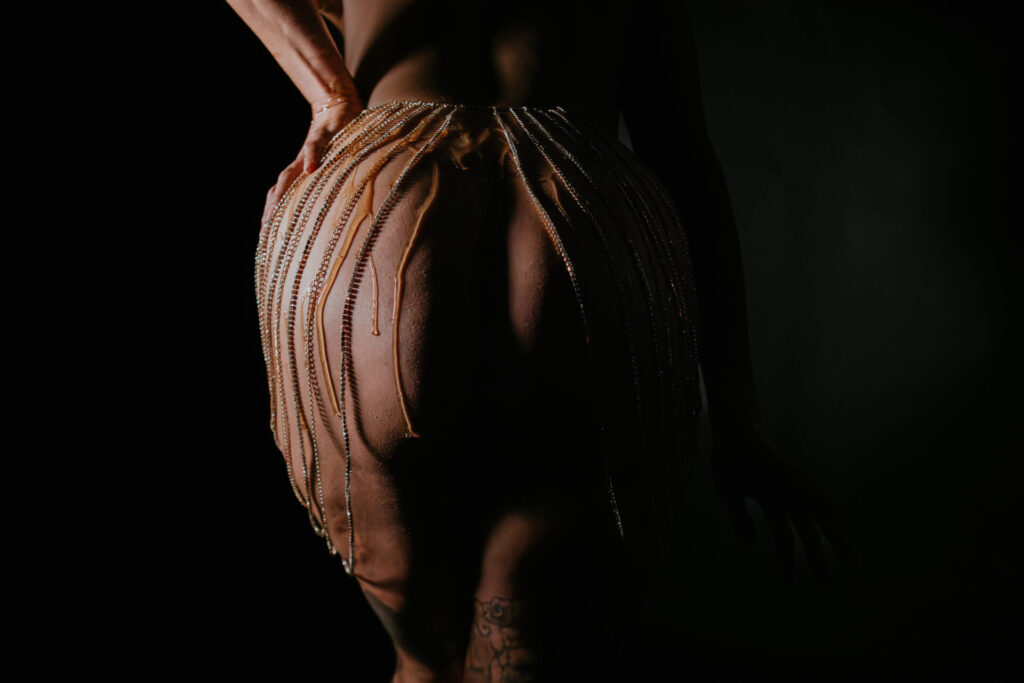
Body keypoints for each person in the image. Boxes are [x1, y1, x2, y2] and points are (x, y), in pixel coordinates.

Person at [227, 1, 854, 680]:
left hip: (378, 216)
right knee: (525, 644)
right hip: (577, 217)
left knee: (423, 660)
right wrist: (738, 417)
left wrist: (329, 94)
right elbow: (683, 157)